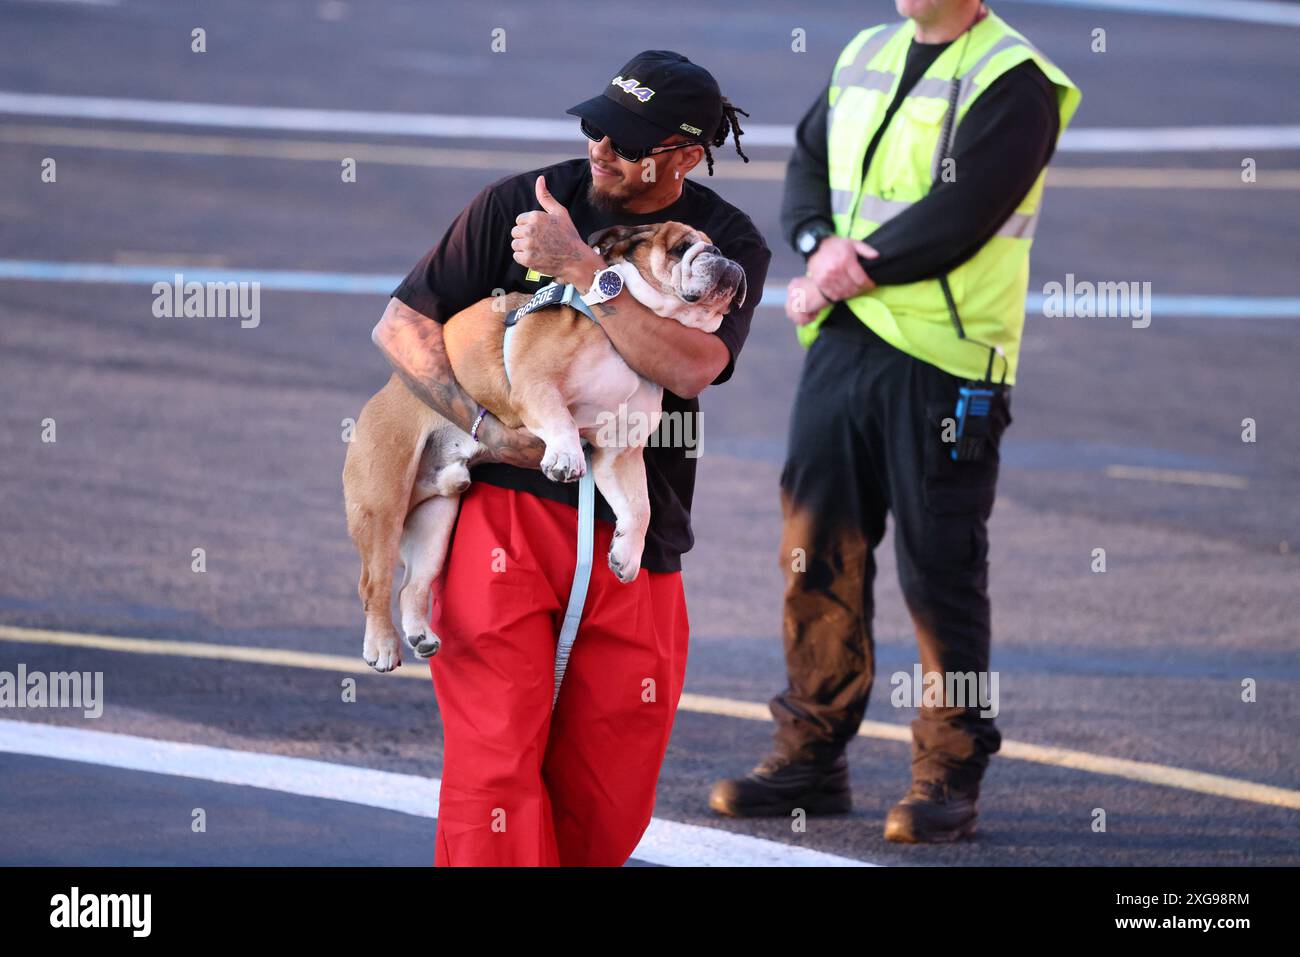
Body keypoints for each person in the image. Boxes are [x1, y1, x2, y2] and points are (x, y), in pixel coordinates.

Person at [372, 50, 770, 866]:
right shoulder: (518, 202)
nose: (600, 147)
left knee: (608, 785)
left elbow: (692, 367)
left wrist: (586, 271)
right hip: (505, 520)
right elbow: (402, 329)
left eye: (626, 141)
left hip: (636, 532)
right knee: (494, 764)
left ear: (684, 157)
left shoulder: (723, 242)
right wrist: (483, 426)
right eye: (596, 127)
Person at [709, 0, 1079, 842]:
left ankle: (949, 770)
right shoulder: (867, 52)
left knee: (939, 568)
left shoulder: (1013, 80)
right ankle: (809, 754)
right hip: (845, 345)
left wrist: (843, 269)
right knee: (815, 551)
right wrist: (814, 239)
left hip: (948, 358)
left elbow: (965, 213)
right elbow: (808, 162)